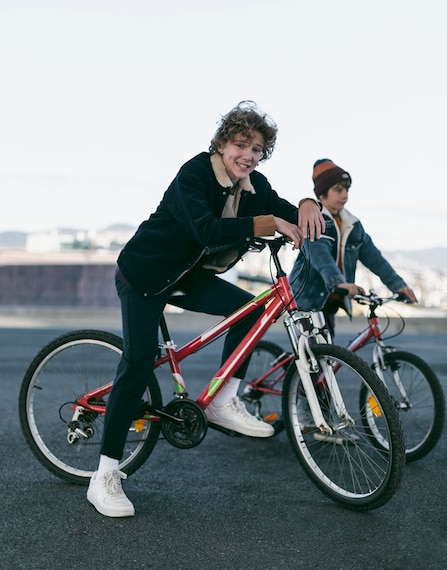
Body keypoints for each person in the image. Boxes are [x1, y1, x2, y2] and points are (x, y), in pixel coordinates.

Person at [87, 101, 325, 518]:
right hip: (145, 274)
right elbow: (207, 230)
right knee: (139, 363)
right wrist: (268, 224)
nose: (248, 156)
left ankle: (222, 401)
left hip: (185, 275)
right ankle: (104, 475)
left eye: (257, 150)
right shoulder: (194, 174)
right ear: (221, 143)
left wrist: (307, 203)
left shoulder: (253, 185)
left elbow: (285, 210)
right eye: (240, 145)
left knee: (251, 311)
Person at [289, 158, 418, 338]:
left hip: (331, 301)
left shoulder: (352, 224)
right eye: (338, 190)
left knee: (326, 356)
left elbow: (374, 258)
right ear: (322, 195)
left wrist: (398, 285)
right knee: (315, 358)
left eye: (347, 190)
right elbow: (320, 255)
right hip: (308, 300)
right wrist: (338, 282)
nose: (345, 195)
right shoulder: (315, 220)